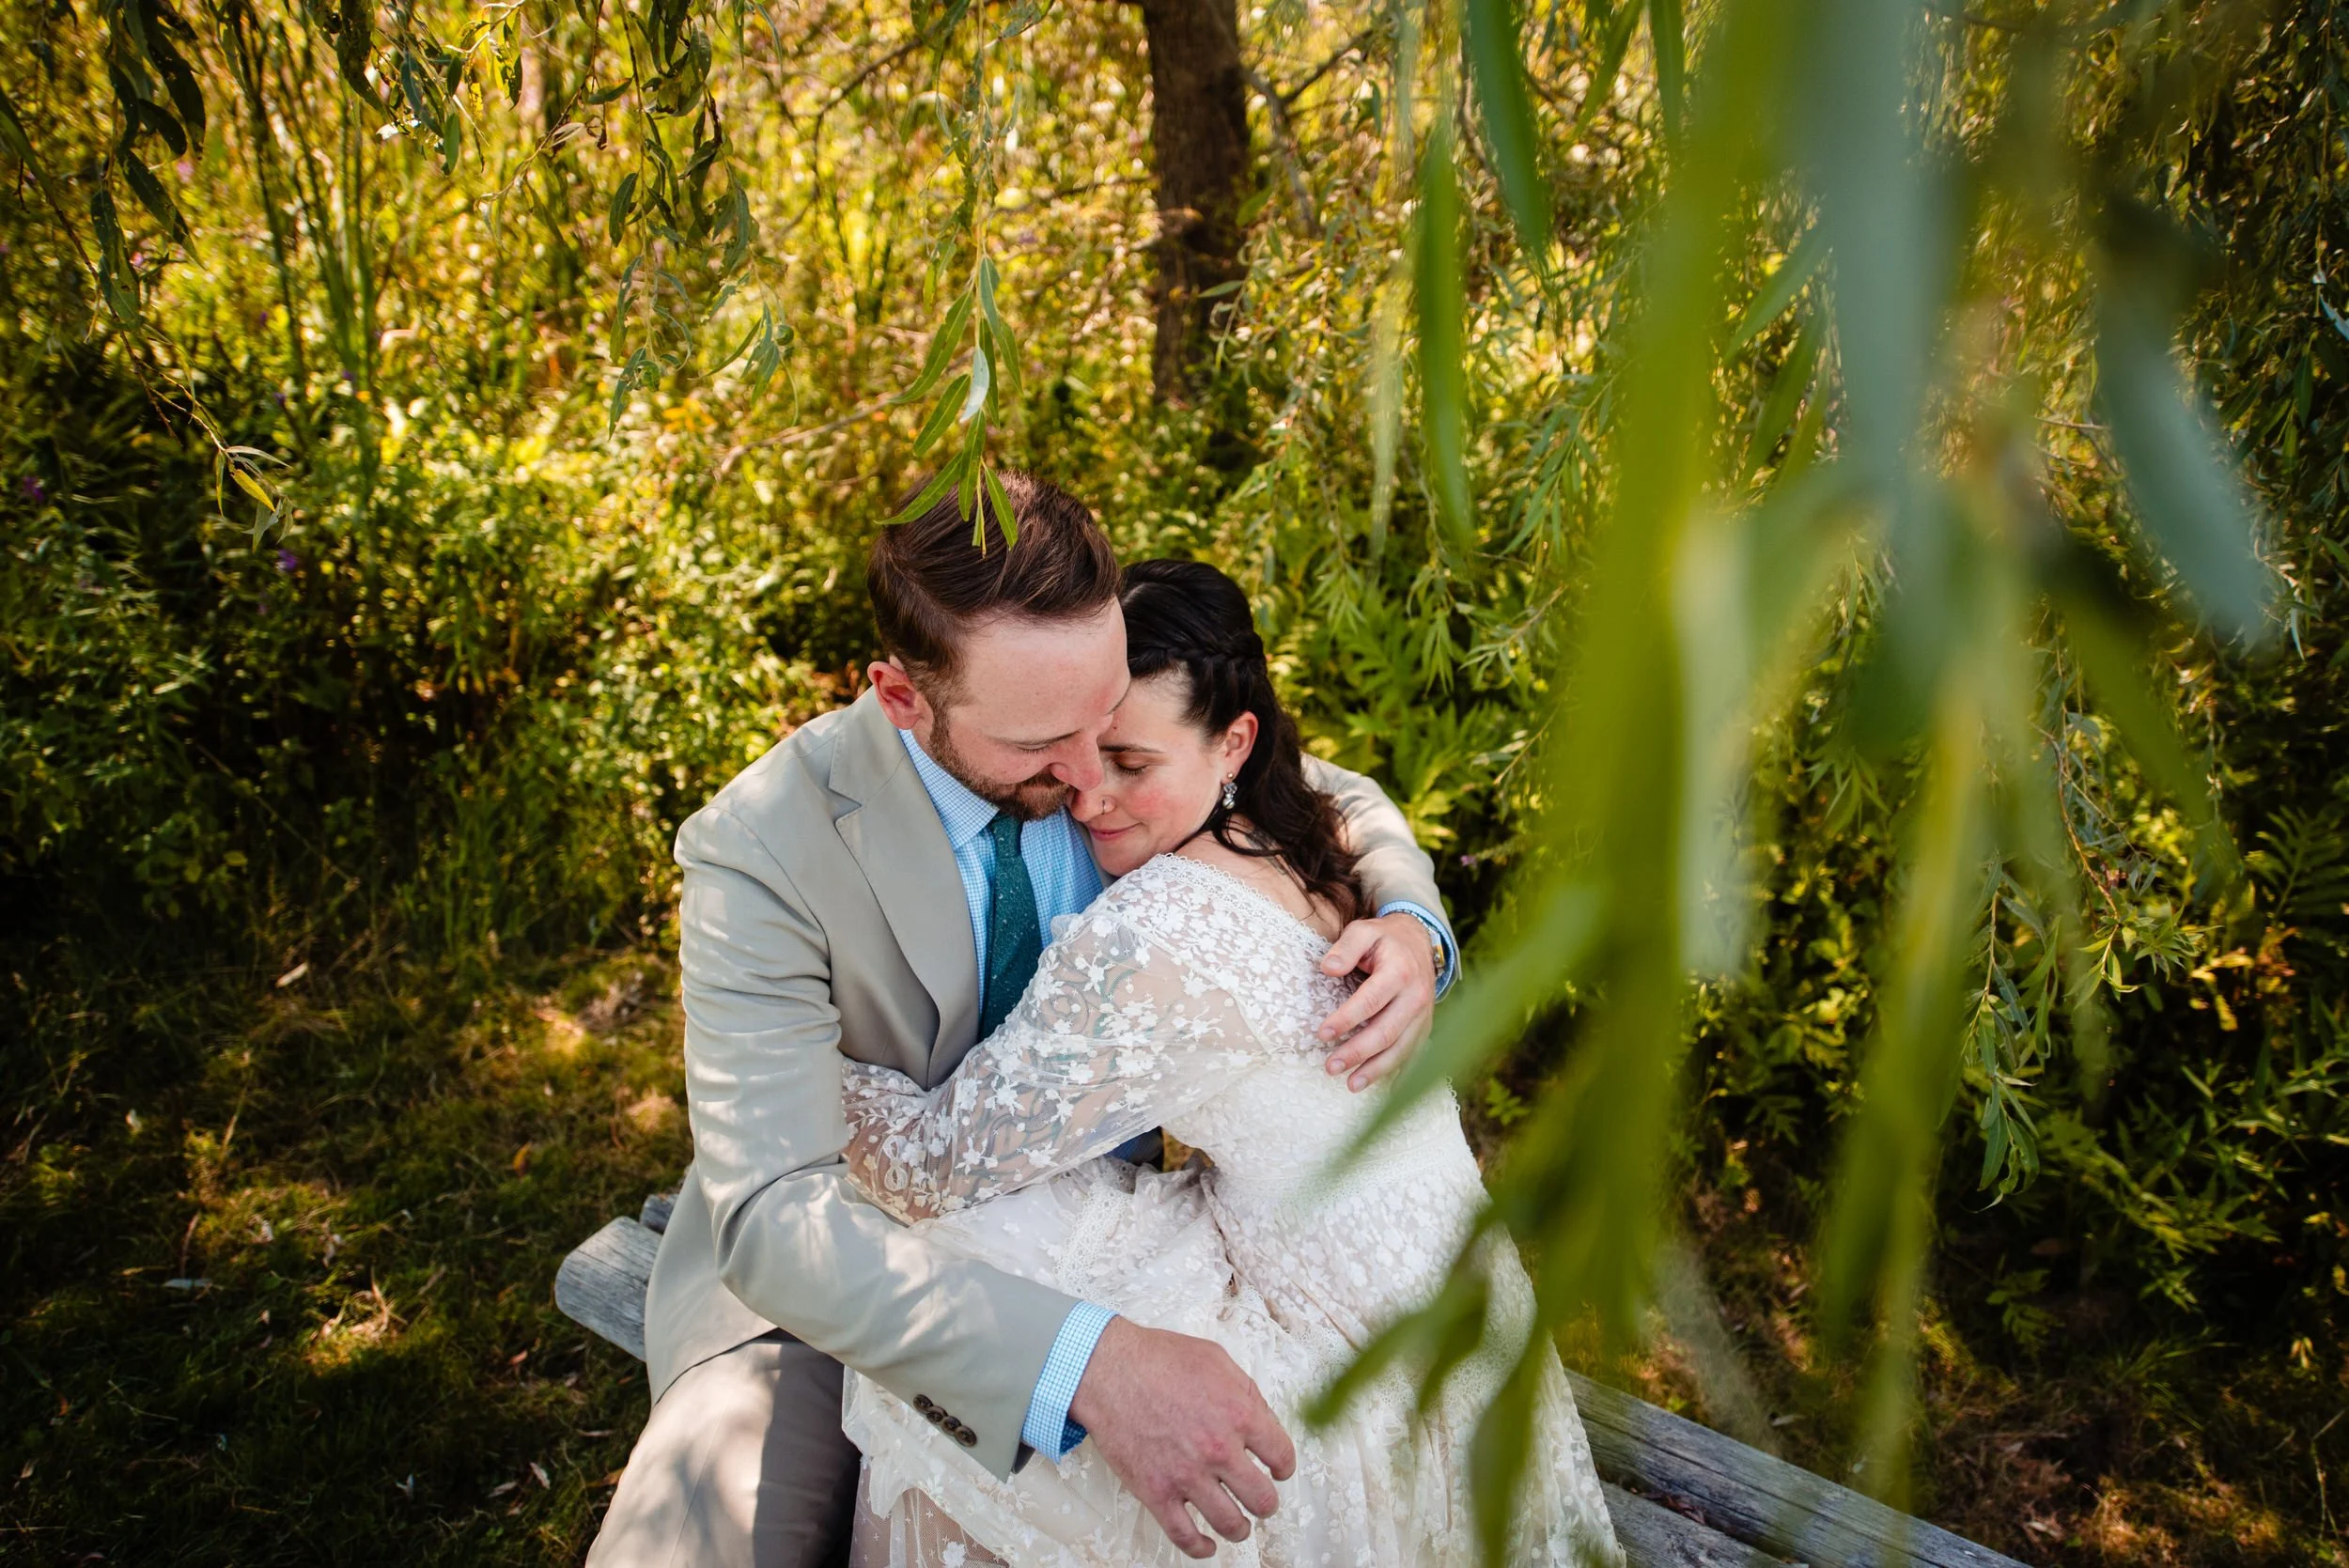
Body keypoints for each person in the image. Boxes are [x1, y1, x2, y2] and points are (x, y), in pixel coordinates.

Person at [588, 474, 1461, 1568]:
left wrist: (1412, 923)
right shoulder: (757, 848)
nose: (1095, 778)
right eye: (1048, 745)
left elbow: (1323, 782)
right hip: (841, 1279)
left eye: (1110, 727)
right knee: (700, 1549)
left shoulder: (1088, 707)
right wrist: (1084, 1364)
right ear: (903, 697)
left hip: (1109, 1238)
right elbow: (774, 1216)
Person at [832, 559, 1624, 1567]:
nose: (1088, 791)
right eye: (1075, 748)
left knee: (943, 1265)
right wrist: (1414, 921)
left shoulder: (1164, 933)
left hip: (1346, 1370)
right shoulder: (1294, 826)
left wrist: (792, 1044)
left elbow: (924, 1164)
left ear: (1234, 739)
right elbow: (1355, 792)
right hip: (1460, 1325)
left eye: (1128, 759)